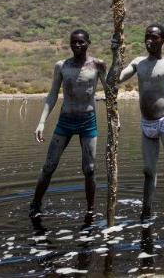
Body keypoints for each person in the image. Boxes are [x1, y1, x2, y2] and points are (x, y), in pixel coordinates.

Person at [113, 23, 164, 226]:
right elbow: (116, 79)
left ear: (163, 40)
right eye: (147, 36)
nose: (150, 40)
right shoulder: (139, 63)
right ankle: (146, 211)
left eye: (154, 37)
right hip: (147, 123)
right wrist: (115, 54)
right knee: (148, 171)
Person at [30, 29, 107, 219]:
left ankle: (90, 210)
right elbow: (53, 94)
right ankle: (35, 204)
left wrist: (115, 118)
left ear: (88, 42)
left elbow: (110, 91)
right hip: (65, 120)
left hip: (88, 121)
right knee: (49, 166)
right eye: (74, 42)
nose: (77, 45)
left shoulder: (97, 65)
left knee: (89, 169)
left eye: (81, 42)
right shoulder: (62, 66)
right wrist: (41, 122)